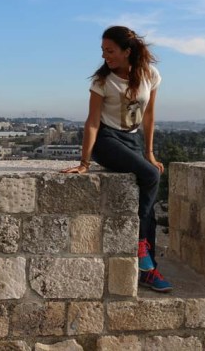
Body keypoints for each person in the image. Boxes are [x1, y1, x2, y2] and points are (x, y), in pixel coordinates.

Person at [62, 26, 172, 292]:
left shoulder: (150, 75)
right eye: (103, 51)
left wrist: (149, 152)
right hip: (107, 140)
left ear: (127, 51)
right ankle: (141, 248)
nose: (105, 56)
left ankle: (147, 267)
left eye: (110, 51)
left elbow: (149, 117)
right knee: (151, 175)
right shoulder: (103, 81)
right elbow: (91, 122)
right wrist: (85, 163)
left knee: (149, 202)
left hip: (132, 140)